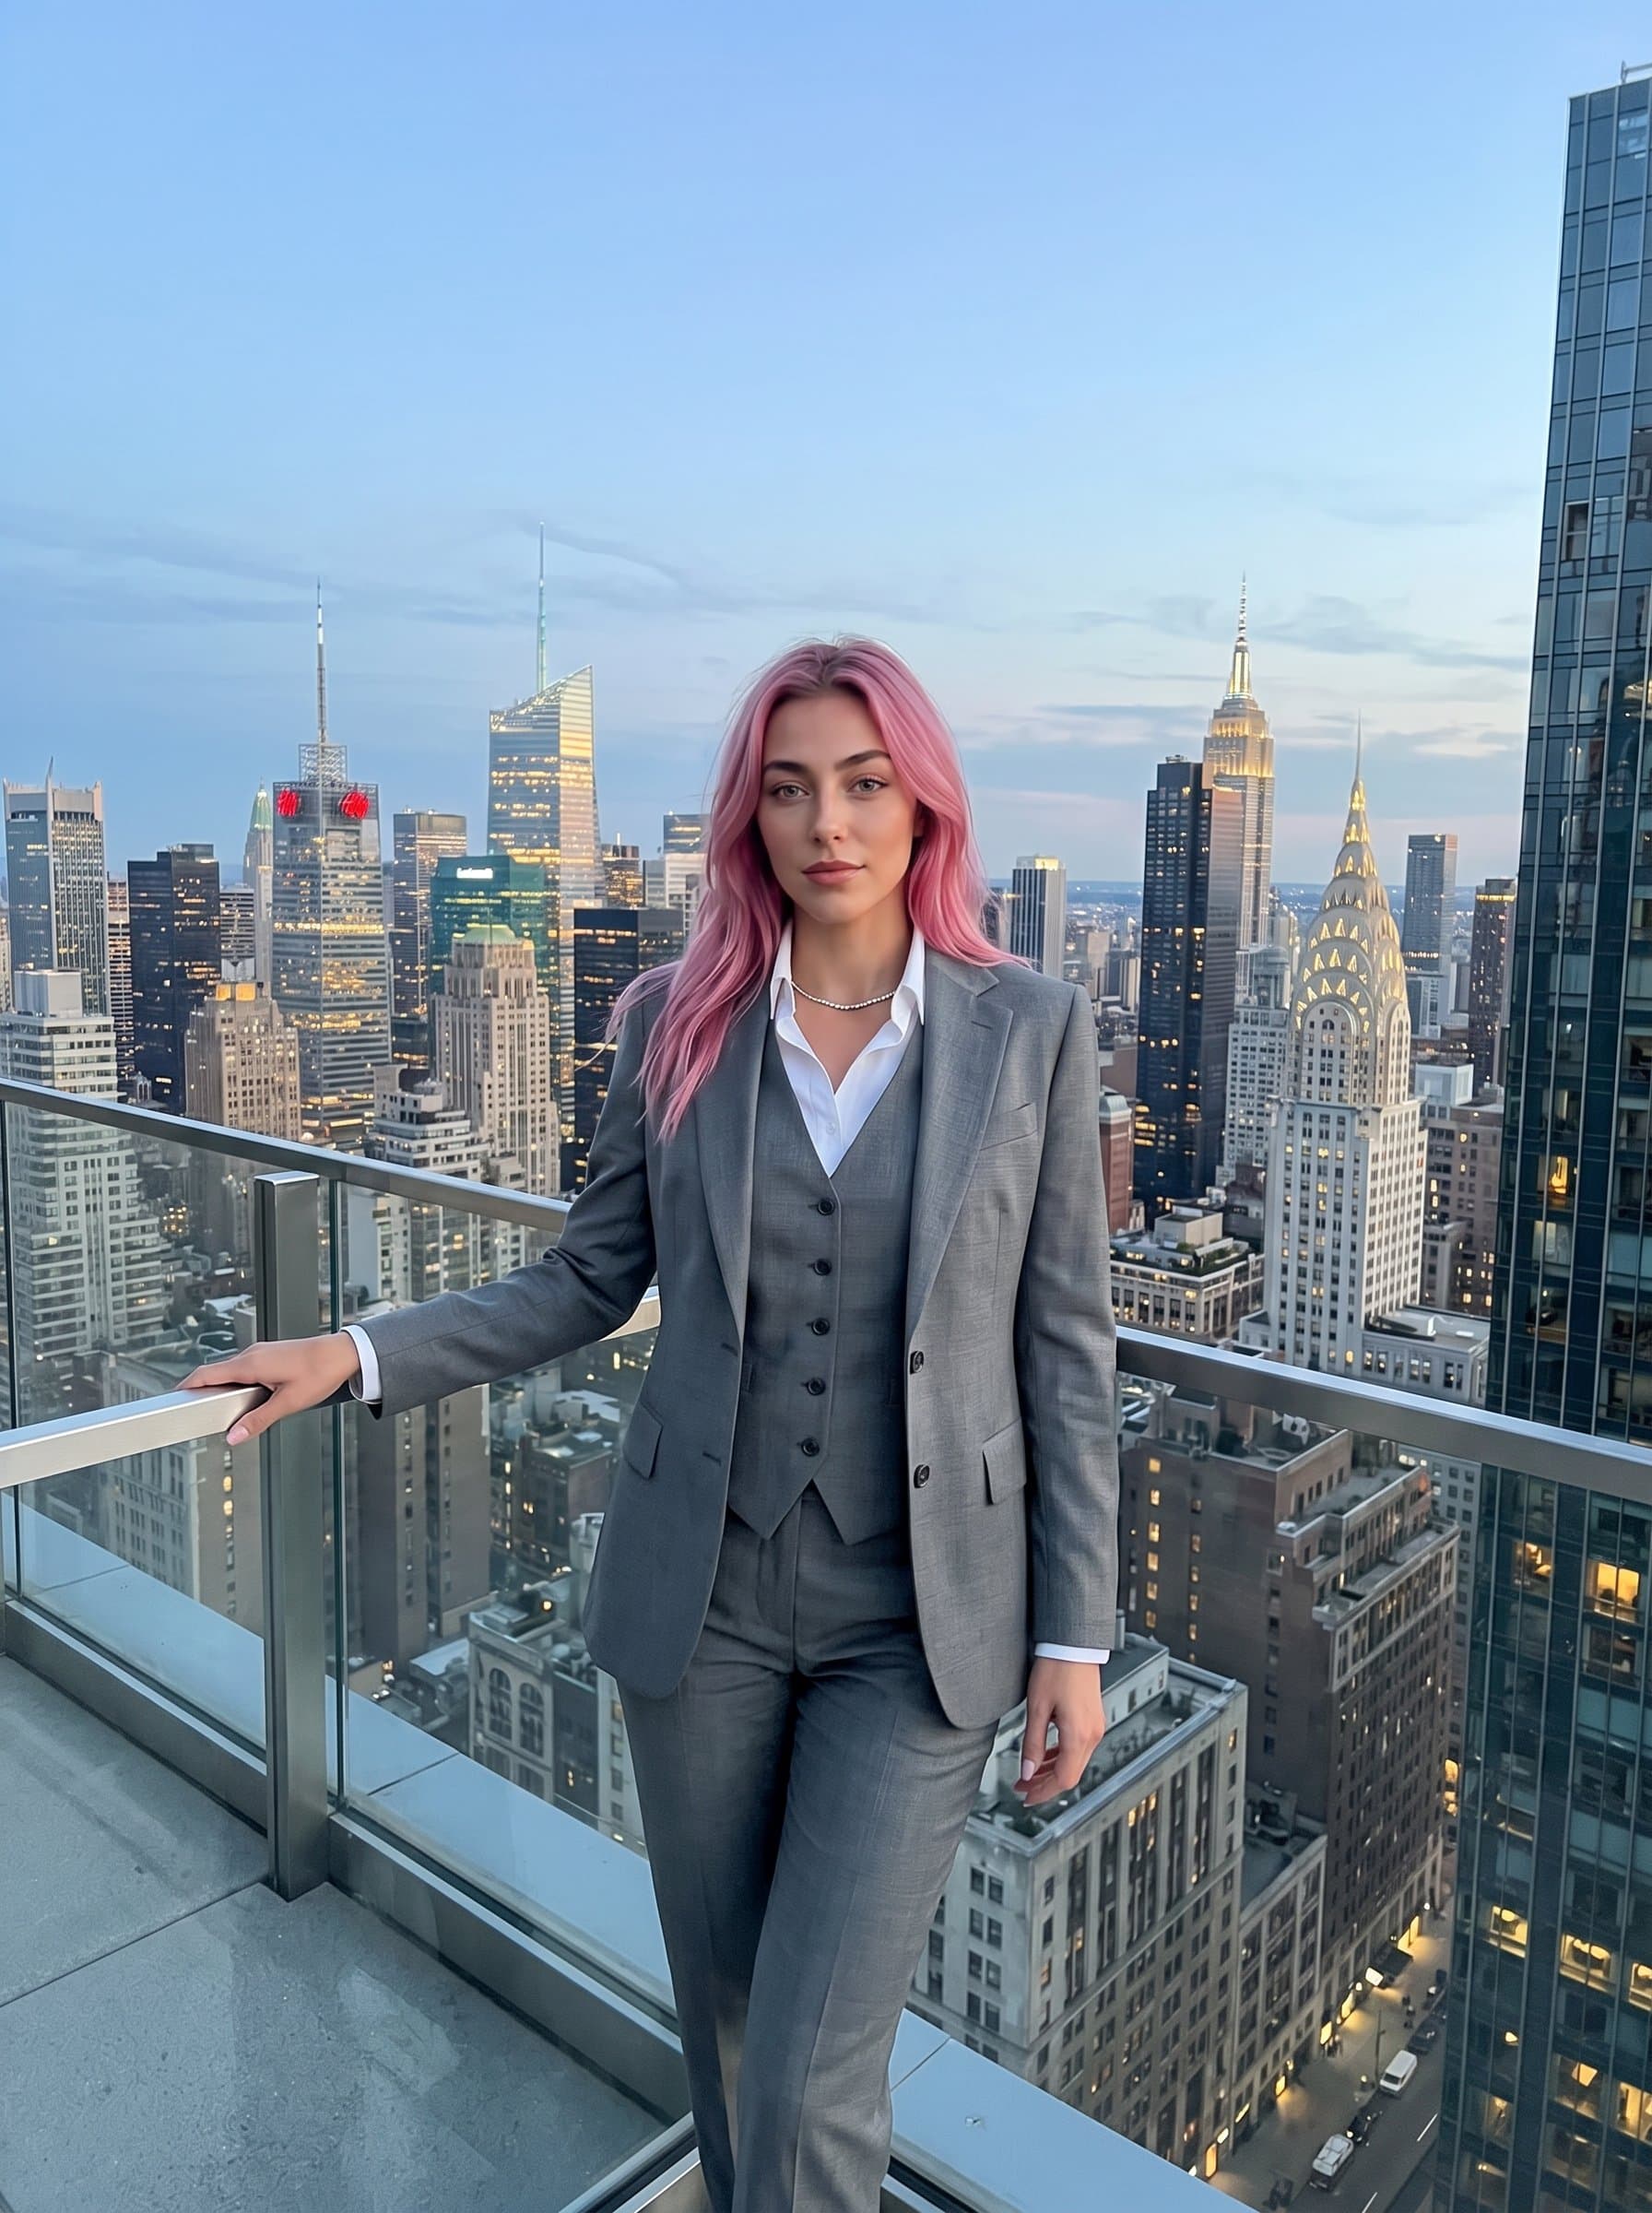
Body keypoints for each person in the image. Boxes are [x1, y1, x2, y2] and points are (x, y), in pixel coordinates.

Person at [184, 636, 1119, 2212]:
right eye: (789, 789)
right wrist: (354, 1350)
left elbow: (1067, 1350)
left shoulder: (1028, 1027)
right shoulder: (674, 1017)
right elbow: (584, 1275)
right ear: (749, 820)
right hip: (708, 1603)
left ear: (923, 806)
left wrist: (1075, 1641)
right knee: (738, 2030)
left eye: (865, 784)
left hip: (926, 1623)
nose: (830, 821)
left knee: (821, 2057)